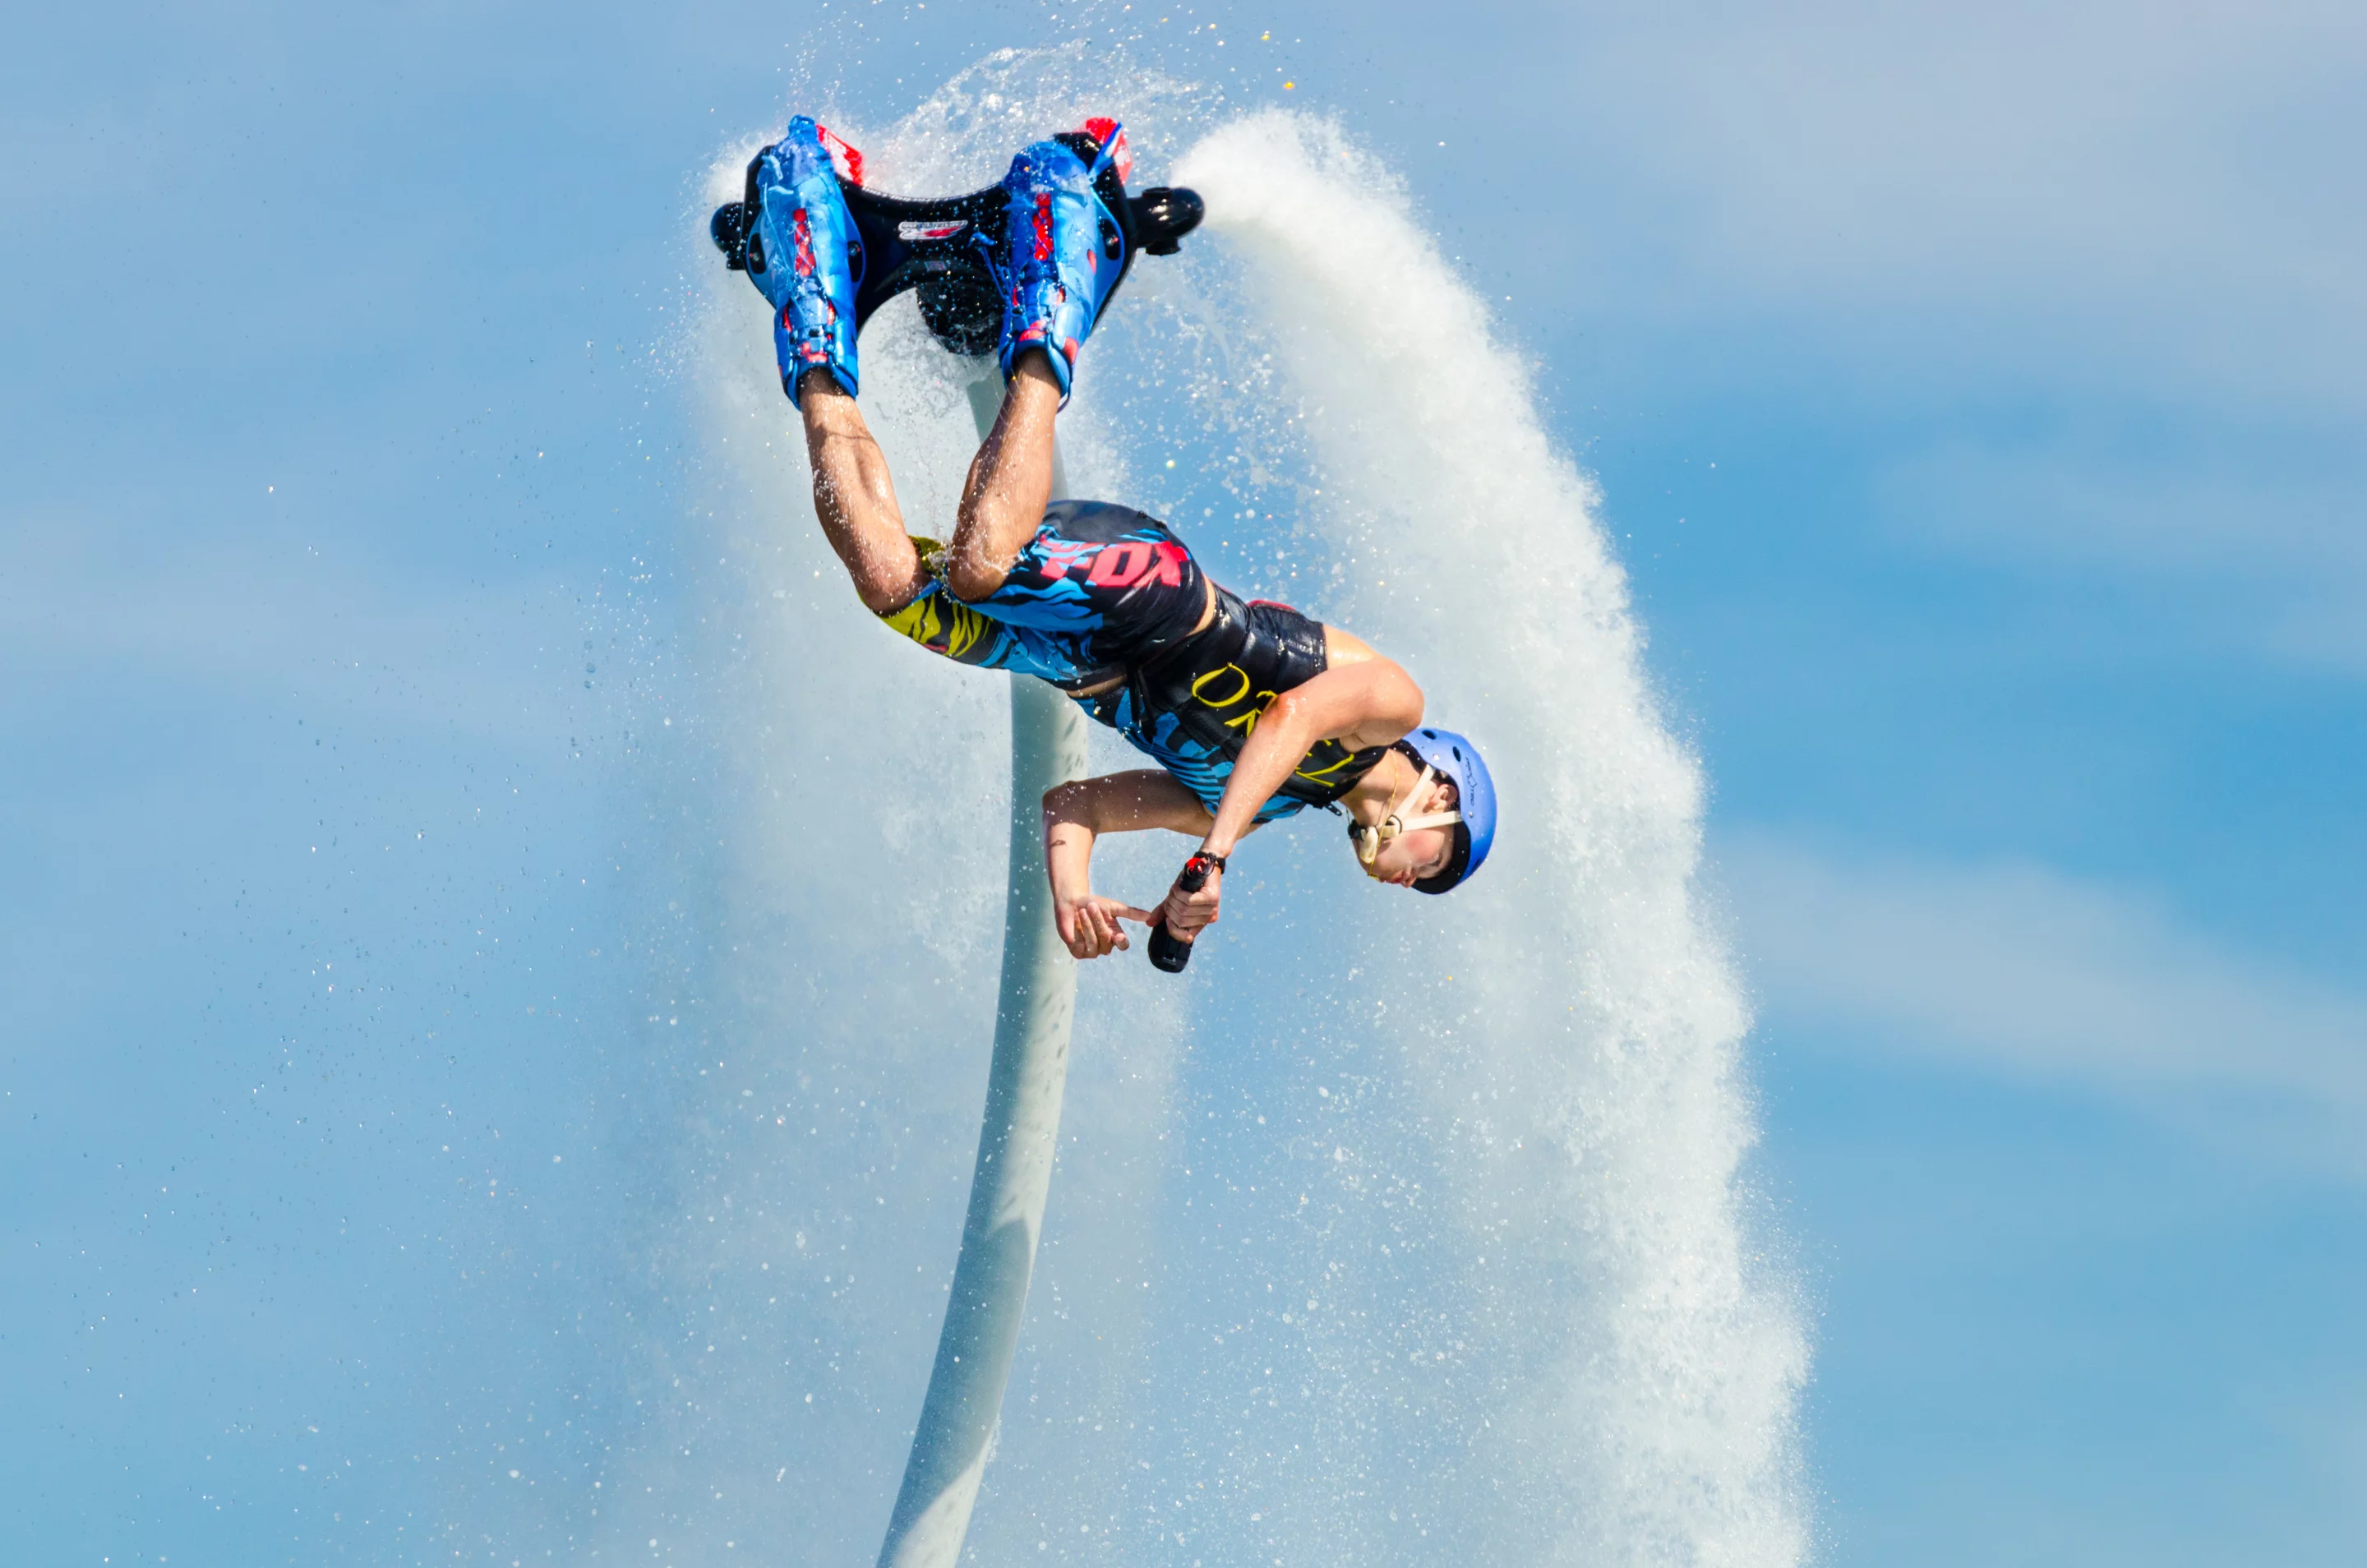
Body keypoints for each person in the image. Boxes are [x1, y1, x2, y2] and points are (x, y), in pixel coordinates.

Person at [742, 117, 1497, 962]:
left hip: (1059, 657)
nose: (1418, 882)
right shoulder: (1395, 706)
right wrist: (1213, 856)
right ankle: (1059, 269)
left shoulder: (1253, 807)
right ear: (1444, 795)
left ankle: (814, 310)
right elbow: (1289, 715)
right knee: (978, 565)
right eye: (1443, 867)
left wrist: (1077, 899)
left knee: (885, 579)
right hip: (1150, 596)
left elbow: (1073, 807)